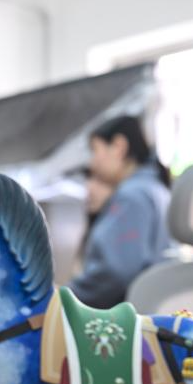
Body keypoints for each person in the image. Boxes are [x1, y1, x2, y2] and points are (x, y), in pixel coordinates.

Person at [68, 114, 172, 308]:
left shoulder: (132, 196)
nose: (92, 163)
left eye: (95, 150)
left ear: (118, 147)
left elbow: (115, 272)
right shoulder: (155, 189)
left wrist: (67, 297)